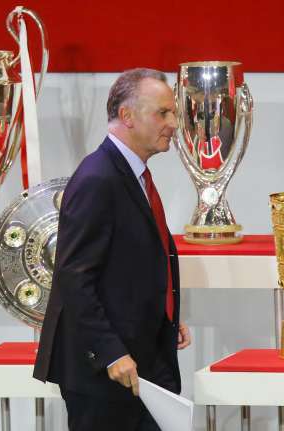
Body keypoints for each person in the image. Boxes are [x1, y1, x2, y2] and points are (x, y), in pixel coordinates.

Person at [33, 68, 192, 431]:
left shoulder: (128, 175)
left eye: (174, 113)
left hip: (139, 363)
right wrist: (111, 352)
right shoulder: (97, 178)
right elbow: (74, 278)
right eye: (163, 113)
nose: (173, 123)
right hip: (105, 374)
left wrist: (162, 314)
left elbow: (125, 264)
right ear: (127, 116)